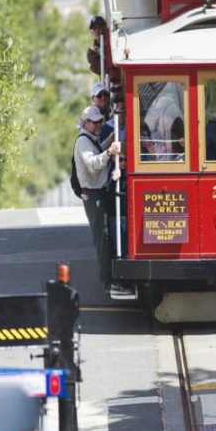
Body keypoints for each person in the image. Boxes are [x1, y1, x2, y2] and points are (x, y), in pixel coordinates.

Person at [74, 105, 125, 295]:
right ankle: (108, 281)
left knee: (106, 236)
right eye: (94, 122)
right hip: (93, 194)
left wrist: (107, 143)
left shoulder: (90, 139)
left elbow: (96, 155)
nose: (98, 125)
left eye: (100, 121)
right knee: (102, 239)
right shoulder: (82, 142)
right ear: (86, 122)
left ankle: (111, 279)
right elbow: (93, 164)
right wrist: (110, 151)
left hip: (98, 192)